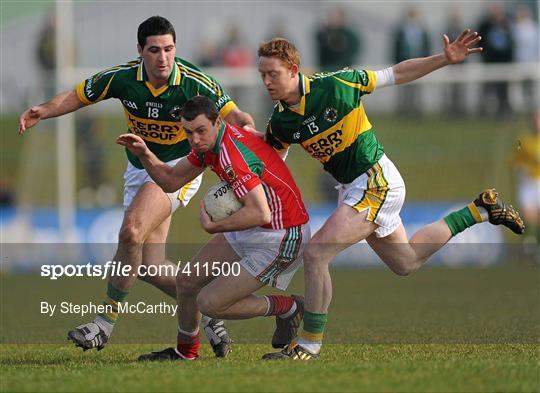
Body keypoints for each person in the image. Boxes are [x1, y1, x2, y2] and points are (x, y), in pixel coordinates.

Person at [257, 31, 525, 360]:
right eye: (263, 75)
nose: (267, 81)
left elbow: (396, 73)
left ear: (294, 70)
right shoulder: (281, 121)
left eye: (274, 74)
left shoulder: (338, 85)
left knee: (315, 254)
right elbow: (270, 165)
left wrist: (444, 58)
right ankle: (480, 209)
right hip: (353, 188)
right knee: (406, 262)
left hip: (375, 180)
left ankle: (309, 344)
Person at [18, 16, 254, 357]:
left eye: (169, 49)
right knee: (149, 266)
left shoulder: (194, 82)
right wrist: (43, 109)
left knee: (131, 231)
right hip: (139, 169)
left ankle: (103, 323)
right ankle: (209, 308)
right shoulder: (124, 78)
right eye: (155, 50)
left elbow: (236, 116)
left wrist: (250, 133)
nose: (163, 58)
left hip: (178, 169)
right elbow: (78, 96)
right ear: (140, 50)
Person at [115, 96, 310, 360]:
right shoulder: (209, 145)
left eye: (201, 131)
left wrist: (214, 226)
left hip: (283, 234)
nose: (194, 139)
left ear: (218, 121)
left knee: (210, 302)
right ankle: (186, 353)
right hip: (254, 225)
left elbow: (259, 211)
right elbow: (171, 181)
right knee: (186, 282)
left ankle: (287, 306)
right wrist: (145, 154)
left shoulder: (232, 157)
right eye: (188, 132)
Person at [513, 112, 540, 245]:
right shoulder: (523, 141)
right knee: (527, 216)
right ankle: (528, 244)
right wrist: (521, 168)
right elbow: (516, 160)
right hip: (528, 183)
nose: (537, 123)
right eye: (535, 120)